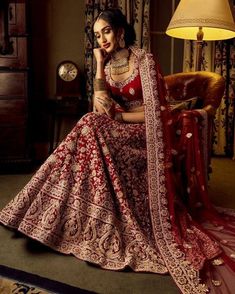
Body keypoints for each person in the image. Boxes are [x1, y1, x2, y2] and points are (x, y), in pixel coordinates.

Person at [0, 8, 235, 294]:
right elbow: (100, 107)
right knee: (89, 126)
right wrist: (99, 65)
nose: (102, 39)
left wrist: (120, 117)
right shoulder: (108, 64)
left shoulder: (143, 60)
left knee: (89, 126)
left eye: (107, 32)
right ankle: (51, 215)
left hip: (145, 134)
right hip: (115, 129)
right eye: (97, 35)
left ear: (121, 31)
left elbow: (157, 113)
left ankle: (44, 211)